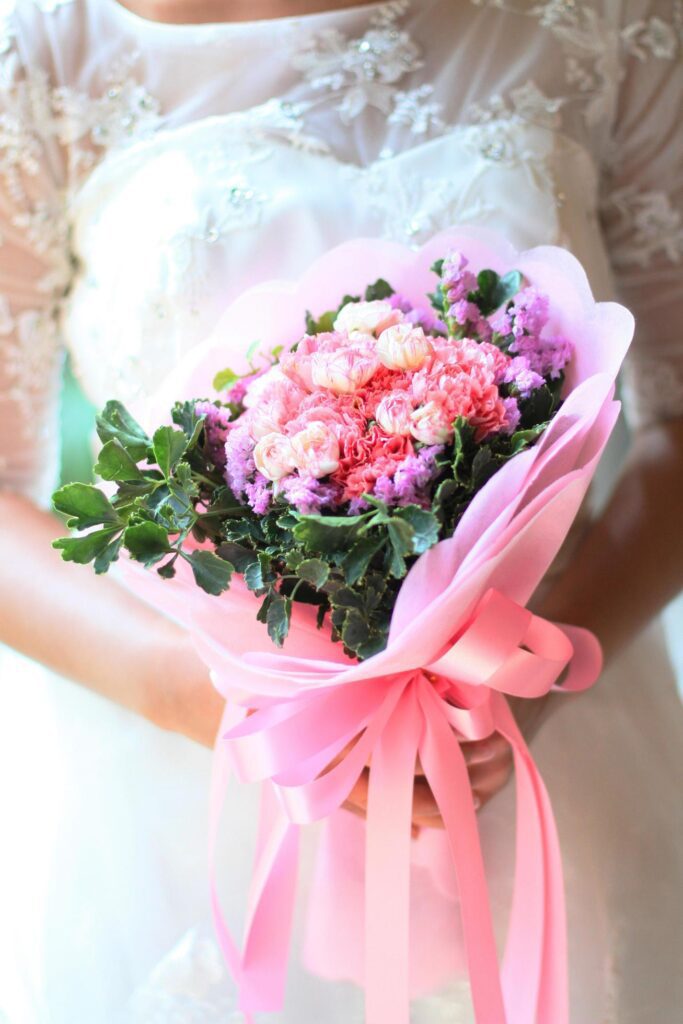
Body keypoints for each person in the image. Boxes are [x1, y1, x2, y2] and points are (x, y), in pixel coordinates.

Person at [0, 0, 681, 1020]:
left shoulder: (613, 23)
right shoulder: (41, 50)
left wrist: (524, 679)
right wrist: (243, 705)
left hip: (544, 732)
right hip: (188, 786)